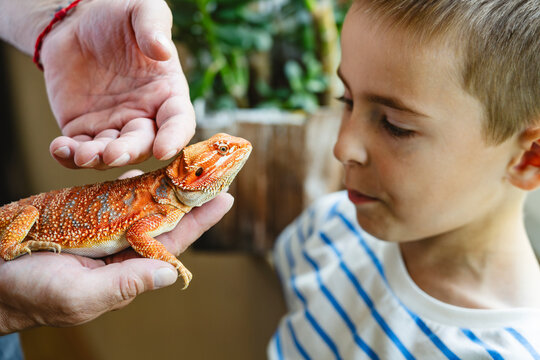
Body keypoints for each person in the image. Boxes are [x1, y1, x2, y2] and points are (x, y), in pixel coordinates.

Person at [269, 0, 540, 358]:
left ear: (528, 159)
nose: (343, 146)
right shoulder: (327, 231)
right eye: (346, 99)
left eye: (395, 126)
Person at [0, 0, 233, 352]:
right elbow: (138, 233)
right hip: (21, 220)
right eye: (220, 150)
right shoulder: (159, 207)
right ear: (195, 170)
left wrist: (62, 22)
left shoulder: (165, 201)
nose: (230, 151)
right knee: (28, 215)